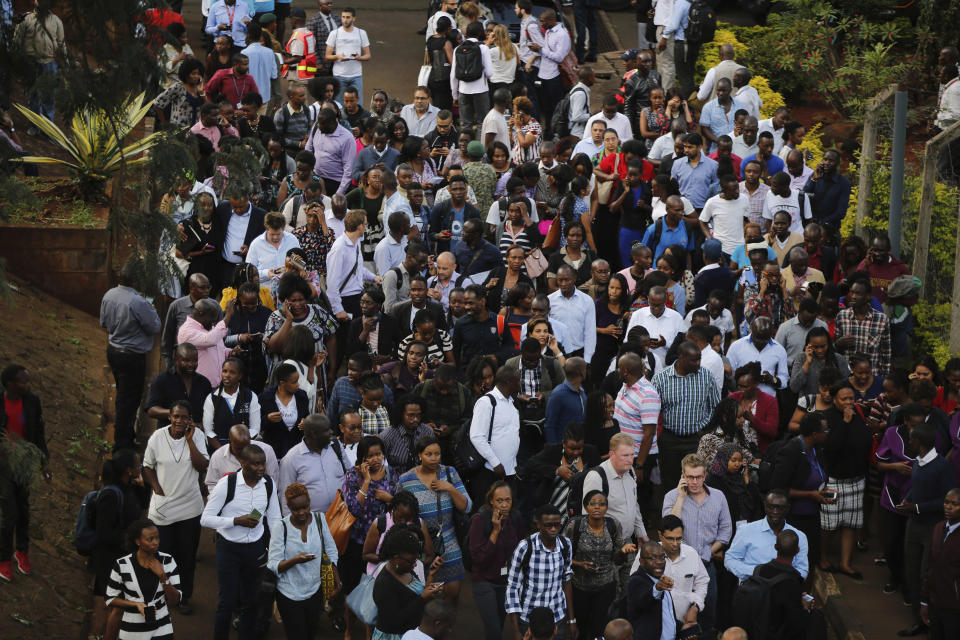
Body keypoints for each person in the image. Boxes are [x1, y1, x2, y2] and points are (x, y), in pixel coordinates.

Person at [201, 444, 280, 640]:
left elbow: (275, 520)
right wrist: (235, 521)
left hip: (255, 549)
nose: (261, 468)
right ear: (243, 463)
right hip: (229, 549)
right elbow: (205, 519)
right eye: (256, 464)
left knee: (252, 602)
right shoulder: (227, 484)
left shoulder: (268, 484)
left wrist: (277, 548)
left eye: (263, 464)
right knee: (226, 602)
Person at [141, 400, 209, 614]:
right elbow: (147, 466)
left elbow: (202, 466)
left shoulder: (197, 436)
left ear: (190, 419)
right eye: (176, 416)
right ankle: (161, 594)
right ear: (169, 417)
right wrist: (156, 488)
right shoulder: (157, 437)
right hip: (163, 508)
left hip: (190, 507)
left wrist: (190, 441)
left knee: (187, 557)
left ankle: (183, 596)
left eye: (184, 417)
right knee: (162, 554)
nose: (180, 421)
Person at [662, 453, 732, 637]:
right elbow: (667, 527)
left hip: (706, 562)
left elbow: (726, 531)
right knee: (677, 612)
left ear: (705, 475)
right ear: (683, 476)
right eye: (690, 477)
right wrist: (681, 498)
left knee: (707, 610)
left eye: (699, 477)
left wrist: (709, 552)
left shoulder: (718, 497)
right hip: (677, 563)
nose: (694, 481)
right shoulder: (671, 497)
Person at [398, 434, 471, 602]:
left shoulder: (449, 473)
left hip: (450, 544)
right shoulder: (406, 480)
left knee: (452, 595)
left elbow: (467, 506)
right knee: (424, 597)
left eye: (437, 454)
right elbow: (399, 514)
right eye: (428, 454)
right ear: (419, 455)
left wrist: (450, 488)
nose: (433, 459)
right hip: (422, 549)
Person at [899, 423, 956, 636]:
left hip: (932, 527)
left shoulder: (942, 466)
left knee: (926, 574)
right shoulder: (917, 462)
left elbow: (946, 498)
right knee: (912, 571)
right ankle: (918, 620)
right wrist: (909, 500)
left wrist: (917, 507)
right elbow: (916, 487)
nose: (909, 442)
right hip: (914, 524)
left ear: (919, 442)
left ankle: (932, 620)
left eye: (911, 439)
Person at [266, 480, 340, 640]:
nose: (301, 512)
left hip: (314, 591)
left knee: (311, 632)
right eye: (295, 509)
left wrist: (336, 580)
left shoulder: (320, 520)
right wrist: (295, 560)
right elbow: (273, 564)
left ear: (309, 503)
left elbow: (331, 550)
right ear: (288, 507)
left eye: (305, 507)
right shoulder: (281, 527)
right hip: (289, 594)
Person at [100, 263, 163, 449]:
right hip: (132, 356)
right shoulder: (138, 302)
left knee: (123, 394)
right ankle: (122, 444)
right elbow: (155, 326)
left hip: (114, 351)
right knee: (130, 400)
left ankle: (126, 435)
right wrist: (150, 310)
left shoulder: (109, 295)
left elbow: (104, 323)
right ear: (136, 281)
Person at [0, 365, 50, 582]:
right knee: (9, 513)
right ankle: (3, 559)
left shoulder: (31, 402)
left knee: (23, 510)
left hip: (24, 463)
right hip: (2, 466)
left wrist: (44, 463)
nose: (28, 385)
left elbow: (38, 433)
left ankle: (22, 551)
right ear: (10, 384)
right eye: (23, 381)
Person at [819, 380, 873, 579]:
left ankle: (845, 563)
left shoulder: (859, 414)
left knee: (851, 523)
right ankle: (822, 557)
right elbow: (831, 446)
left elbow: (866, 440)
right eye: (844, 399)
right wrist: (845, 422)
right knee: (829, 524)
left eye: (851, 398)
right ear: (834, 400)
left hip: (856, 478)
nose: (849, 402)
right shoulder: (827, 417)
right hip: (834, 479)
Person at [565, 490, 635, 639]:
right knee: (581, 628)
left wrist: (623, 552)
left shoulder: (613, 525)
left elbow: (617, 560)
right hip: (580, 587)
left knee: (601, 628)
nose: (597, 507)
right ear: (586, 507)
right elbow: (562, 558)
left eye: (602, 504)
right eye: (593, 504)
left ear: (606, 508)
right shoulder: (575, 526)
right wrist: (580, 564)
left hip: (606, 587)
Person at [504, 505, 576, 640]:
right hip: (529, 620)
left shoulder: (565, 545)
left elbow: (566, 581)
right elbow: (512, 588)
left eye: (557, 525)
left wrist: (571, 620)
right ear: (539, 525)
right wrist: (515, 631)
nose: (554, 529)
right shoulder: (525, 548)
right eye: (548, 525)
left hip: (557, 617)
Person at [104, 519, 181, 639]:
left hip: (162, 625)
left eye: (157, 537)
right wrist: (136, 604)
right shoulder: (122, 564)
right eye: (150, 539)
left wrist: (162, 576)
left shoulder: (167, 560)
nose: (156, 542)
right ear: (137, 541)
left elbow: (175, 600)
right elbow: (110, 599)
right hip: (132, 629)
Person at [747, 530, 827, 640]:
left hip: (757, 627)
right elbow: (796, 623)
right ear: (797, 550)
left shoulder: (760, 569)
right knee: (817, 618)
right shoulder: (793, 580)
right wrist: (804, 607)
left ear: (775, 547)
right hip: (776, 632)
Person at [373, 525, 446, 639]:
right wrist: (422, 598)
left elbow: (414, 597)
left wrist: (431, 589)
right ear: (396, 558)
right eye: (411, 561)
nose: (415, 564)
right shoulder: (384, 584)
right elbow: (394, 621)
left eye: (416, 559)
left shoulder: (405, 569)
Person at [278, 413, 349, 515]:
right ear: (313, 434)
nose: (331, 432)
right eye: (327, 430)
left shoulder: (336, 446)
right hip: (311, 522)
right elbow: (286, 497)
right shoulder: (292, 458)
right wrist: (292, 526)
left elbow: (350, 475)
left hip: (341, 517)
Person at [919, 488, 960, 639]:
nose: (948, 507)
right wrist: (924, 601)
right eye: (946, 502)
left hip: (954, 608)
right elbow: (930, 566)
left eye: (955, 504)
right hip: (935, 602)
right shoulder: (938, 528)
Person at [835, 278, 891, 377]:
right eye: (852, 293)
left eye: (858, 293)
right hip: (847, 377)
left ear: (868, 296)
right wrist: (839, 343)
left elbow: (886, 353)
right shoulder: (841, 316)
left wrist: (883, 379)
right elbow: (835, 352)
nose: (853, 297)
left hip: (871, 377)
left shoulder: (881, 319)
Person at [205, 424, 279, 494]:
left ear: (250, 440)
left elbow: (273, 482)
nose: (244, 451)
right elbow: (212, 484)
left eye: (247, 446)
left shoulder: (267, 451)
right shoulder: (217, 456)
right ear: (230, 442)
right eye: (239, 448)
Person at [626, 540, 676, 640]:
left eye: (662, 557)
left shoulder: (662, 580)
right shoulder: (635, 581)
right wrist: (657, 588)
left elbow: (666, 616)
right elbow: (644, 600)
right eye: (653, 558)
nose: (659, 562)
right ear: (641, 562)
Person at [548, 265, 597, 361]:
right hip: (554, 352)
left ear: (574, 278)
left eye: (567, 280)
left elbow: (590, 332)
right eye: (560, 280)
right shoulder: (549, 300)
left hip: (578, 353)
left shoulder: (586, 300)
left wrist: (587, 359)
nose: (563, 283)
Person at [323, 5, 370, 105]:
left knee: (358, 105)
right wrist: (337, 57)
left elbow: (368, 55)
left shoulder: (361, 33)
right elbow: (327, 56)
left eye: (348, 17)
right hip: (339, 75)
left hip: (356, 75)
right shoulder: (334, 33)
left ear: (354, 18)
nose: (345, 20)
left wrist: (359, 58)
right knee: (339, 106)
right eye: (343, 17)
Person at [802, 149, 851, 236]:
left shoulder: (843, 183)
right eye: (825, 159)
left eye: (831, 161)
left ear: (838, 163)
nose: (827, 163)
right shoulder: (815, 175)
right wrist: (814, 179)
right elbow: (803, 196)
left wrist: (822, 223)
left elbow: (841, 212)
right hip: (811, 227)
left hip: (830, 229)